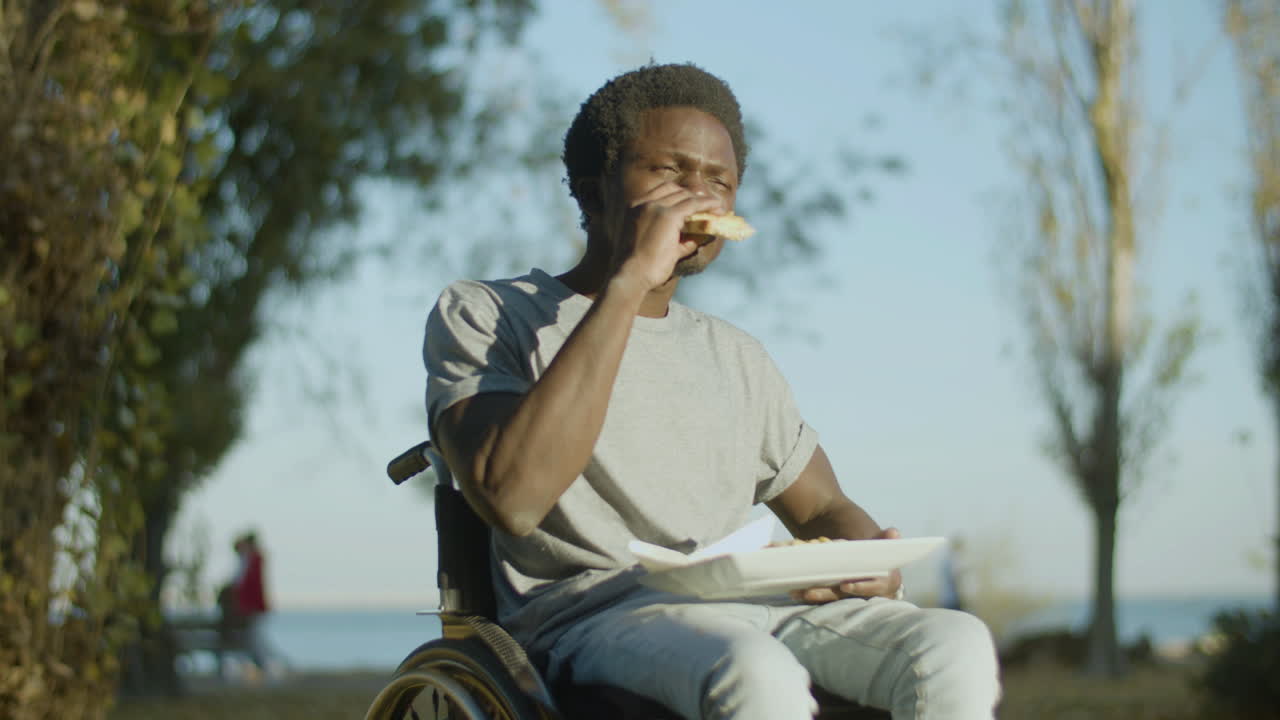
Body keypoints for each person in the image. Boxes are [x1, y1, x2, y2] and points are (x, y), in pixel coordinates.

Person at [424, 63, 1001, 720]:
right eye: (669, 174)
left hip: (753, 607)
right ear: (593, 195)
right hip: (593, 622)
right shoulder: (487, 314)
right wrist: (631, 280)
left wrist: (869, 563)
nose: (698, 198)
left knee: (953, 643)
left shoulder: (737, 356)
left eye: (719, 182)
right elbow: (513, 497)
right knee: (753, 670)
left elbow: (822, 510)